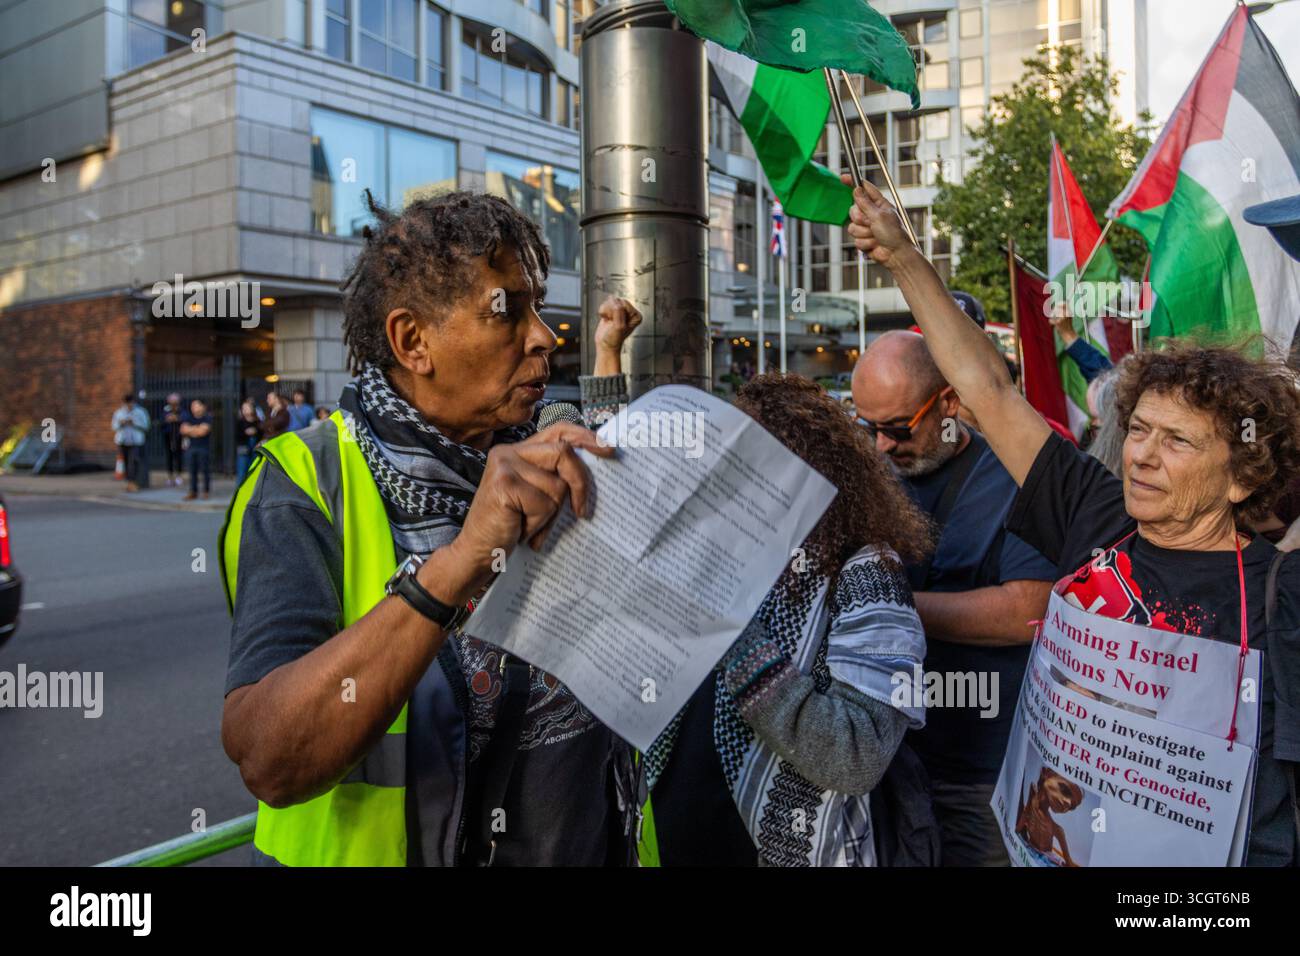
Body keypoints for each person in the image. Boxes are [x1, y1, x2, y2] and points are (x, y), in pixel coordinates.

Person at [848, 176, 1300, 865]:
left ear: (1242, 476)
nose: (1143, 455)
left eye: (1176, 441)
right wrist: (905, 257)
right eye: (1140, 429)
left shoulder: (1280, 594)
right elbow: (987, 389)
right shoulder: (1096, 512)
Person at [219, 190, 645, 866]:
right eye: (508, 312)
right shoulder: (305, 482)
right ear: (413, 341)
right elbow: (269, 758)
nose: (543, 335)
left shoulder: (548, 453)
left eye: (537, 308)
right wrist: (463, 559)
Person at [643, 373, 932, 867]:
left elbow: (857, 754)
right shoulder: (728, 547)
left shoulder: (867, 572)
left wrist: (730, 630)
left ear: (806, 472)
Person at [852, 331, 1056, 867]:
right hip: (887, 766)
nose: (882, 446)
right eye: (867, 427)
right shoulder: (869, 477)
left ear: (948, 403)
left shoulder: (1013, 478)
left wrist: (886, 606)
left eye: (898, 428)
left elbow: (1027, 610)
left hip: (980, 773)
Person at [111, 394, 149, 492]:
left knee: (134, 461)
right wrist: (121, 423)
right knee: (126, 462)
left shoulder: (140, 412)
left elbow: (146, 426)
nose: (129, 406)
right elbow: (114, 426)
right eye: (127, 404)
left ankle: (133, 482)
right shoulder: (119, 413)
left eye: (131, 403)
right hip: (123, 441)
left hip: (136, 442)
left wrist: (134, 423)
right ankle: (129, 482)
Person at [181, 398, 214, 500]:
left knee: (205, 470)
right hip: (191, 447)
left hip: (203, 448)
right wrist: (197, 429)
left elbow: (203, 431)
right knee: (192, 470)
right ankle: (193, 491)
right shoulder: (188, 418)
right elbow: (183, 430)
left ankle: (206, 491)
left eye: (196, 405)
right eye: (192, 406)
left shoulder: (207, 418)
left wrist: (191, 430)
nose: (194, 408)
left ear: (203, 406)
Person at [235, 399, 262, 485]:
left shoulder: (258, 422)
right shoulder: (240, 422)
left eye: (247, 408)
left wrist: (256, 431)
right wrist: (246, 433)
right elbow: (237, 436)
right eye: (244, 408)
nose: (246, 410)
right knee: (242, 472)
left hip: (255, 449)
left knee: (254, 470)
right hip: (243, 449)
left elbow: (262, 434)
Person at [161, 392, 185, 487]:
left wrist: (178, 418)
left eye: (175, 402)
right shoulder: (166, 410)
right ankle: (170, 477)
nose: (173, 404)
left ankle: (179, 475)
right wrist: (167, 419)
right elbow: (161, 420)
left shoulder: (181, 410)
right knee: (169, 456)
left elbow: (185, 418)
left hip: (179, 436)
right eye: (172, 402)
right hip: (168, 435)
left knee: (179, 456)